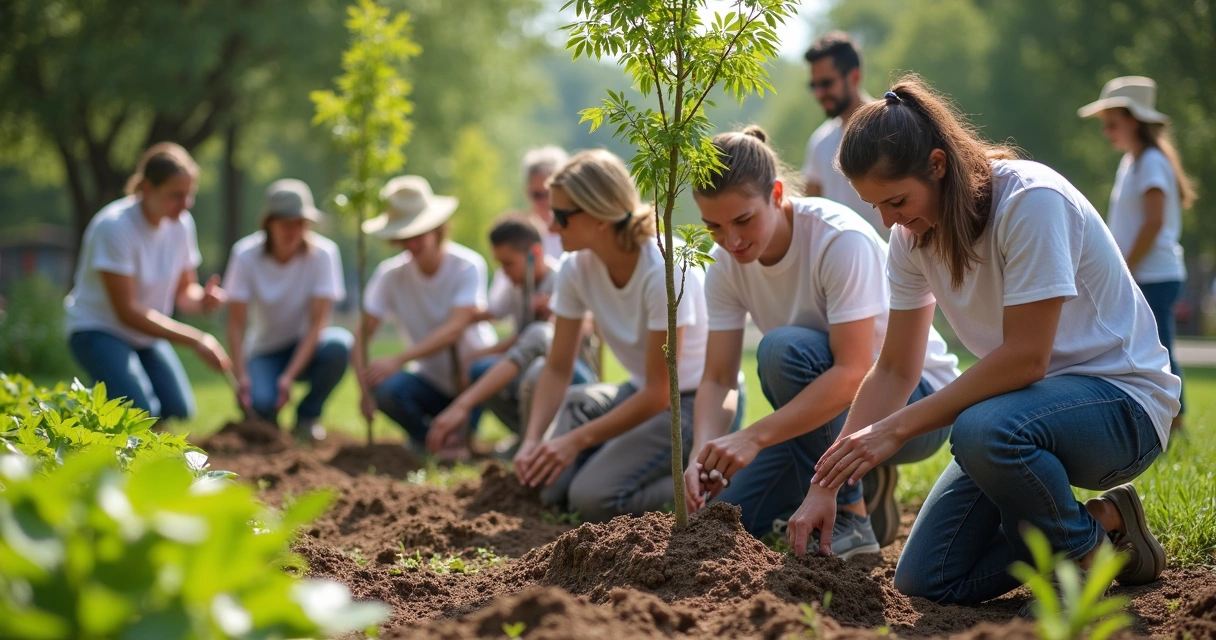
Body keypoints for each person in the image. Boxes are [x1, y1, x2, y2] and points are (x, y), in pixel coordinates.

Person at [792, 77, 1180, 606]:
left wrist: (895, 429)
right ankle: (1105, 524)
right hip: (1023, 418)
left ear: (937, 163)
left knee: (980, 428)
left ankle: (1082, 554)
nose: (887, 221)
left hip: (1122, 408)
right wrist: (826, 483)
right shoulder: (910, 239)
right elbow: (893, 371)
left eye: (896, 200)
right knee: (926, 581)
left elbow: (1025, 359)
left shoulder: (1029, 201)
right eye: (874, 205)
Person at [685, 126, 959, 557]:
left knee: (782, 349)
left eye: (743, 220)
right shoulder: (724, 264)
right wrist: (700, 451)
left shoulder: (837, 239)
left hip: (911, 400)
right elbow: (718, 378)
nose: (731, 241)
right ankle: (860, 480)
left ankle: (851, 511)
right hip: (826, 418)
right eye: (714, 227)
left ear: (776, 193)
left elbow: (853, 373)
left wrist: (752, 438)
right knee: (730, 517)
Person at [513, 150, 709, 522]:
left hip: (690, 404)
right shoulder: (575, 267)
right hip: (641, 393)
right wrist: (533, 441)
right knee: (549, 484)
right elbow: (557, 367)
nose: (552, 228)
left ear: (600, 216)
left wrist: (573, 441)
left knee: (593, 499)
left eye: (562, 217)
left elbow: (659, 392)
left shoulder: (664, 271)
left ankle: (719, 483)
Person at [65, 142, 230, 419]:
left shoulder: (182, 223)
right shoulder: (114, 227)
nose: (185, 204)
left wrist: (202, 300)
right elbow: (126, 312)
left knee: (178, 411)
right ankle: (77, 415)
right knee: (142, 412)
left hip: (146, 335)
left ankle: (108, 393)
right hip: (97, 330)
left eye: (190, 194)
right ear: (147, 189)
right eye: (176, 195)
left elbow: (184, 291)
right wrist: (197, 339)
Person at [1079, 76, 1195, 433]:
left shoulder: (1150, 163)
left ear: (1133, 119)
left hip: (1154, 273)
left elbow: (1154, 222)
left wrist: (1123, 267)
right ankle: (1172, 419)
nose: (1107, 131)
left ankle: (1173, 421)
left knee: (1159, 348)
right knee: (1155, 346)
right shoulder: (1134, 161)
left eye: (1112, 123)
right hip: (1148, 272)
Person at [427, 216, 596, 452]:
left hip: (571, 375)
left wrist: (558, 314)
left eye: (508, 263)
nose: (503, 272)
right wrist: (461, 317)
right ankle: (525, 437)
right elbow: (497, 316)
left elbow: (540, 337)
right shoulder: (515, 284)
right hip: (531, 365)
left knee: (534, 370)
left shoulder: (561, 280)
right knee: (482, 369)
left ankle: (535, 441)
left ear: (534, 254)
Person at [355, 175, 497, 447]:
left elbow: (454, 330)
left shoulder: (466, 265)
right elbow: (362, 335)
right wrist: (364, 392)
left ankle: (458, 434)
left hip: (471, 379)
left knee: (482, 375)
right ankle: (428, 441)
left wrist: (398, 359)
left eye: (418, 234)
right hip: (428, 380)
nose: (412, 244)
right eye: (404, 236)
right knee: (385, 388)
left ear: (437, 228)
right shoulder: (390, 276)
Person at [223, 179, 351, 442]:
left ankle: (308, 416)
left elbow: (318, 323)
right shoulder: (245, 255)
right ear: (269, 223)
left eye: (299, 224)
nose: (292, 232)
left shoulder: (324, 255)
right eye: (285, 223)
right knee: (260, 404)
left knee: (340, 345)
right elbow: (236, 324)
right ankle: (265, 415)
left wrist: (288, 378)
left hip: (307, 347)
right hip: (263, 351)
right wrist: (241, 376)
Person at [802, 31, 882, 237]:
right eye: (814, 85)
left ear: (854, 76)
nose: (819, 94)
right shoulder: (819, 142)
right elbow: (810, 216)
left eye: (826, 83)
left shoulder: (891, 126)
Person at [522, 145, 571, 259]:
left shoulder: (579, 235)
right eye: (537, 195)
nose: (544, 202)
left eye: (550, 194)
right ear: (527, 193)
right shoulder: (519, 236)